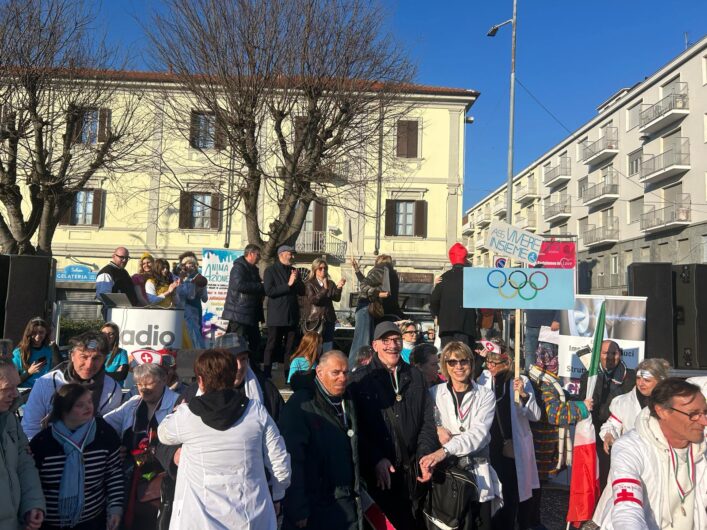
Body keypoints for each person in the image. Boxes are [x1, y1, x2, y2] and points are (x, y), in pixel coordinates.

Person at [157, 349, 291, 529]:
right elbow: (280, 464)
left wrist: (175, 412)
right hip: (251, 517)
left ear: (201, 381)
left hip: (199, 521)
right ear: (232, 375)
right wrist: (277, 496)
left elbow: (162, 434)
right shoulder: (256, 411)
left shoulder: (186, 415)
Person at [349, 321, 437, 529]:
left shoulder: (416, 376)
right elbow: (354, 429)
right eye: (385, 340)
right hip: (379, 476)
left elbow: (427, 421)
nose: (392, 345)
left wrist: (425, 456)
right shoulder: (360, 380)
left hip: (412, 473)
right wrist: (375, 459)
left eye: (396, 339)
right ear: (375, 345)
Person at [593, 378, 707, 529]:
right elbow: (627, 509)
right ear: (663, 411)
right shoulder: (630, 447)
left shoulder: (701, 447)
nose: (704, 421)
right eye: (693, 414)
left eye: (705, 412)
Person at [419, 341, 502, 530]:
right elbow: (426, 426)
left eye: (463, 361)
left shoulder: (485, 395)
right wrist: (437, 429)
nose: (458, 367)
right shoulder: (434, 393)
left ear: (471, 364)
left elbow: (478, 434)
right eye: (452, 362)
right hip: (449, 479)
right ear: (445, 366)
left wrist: (445, 449)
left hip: (477, 472)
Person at [279, 350, 361, 530]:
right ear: (319, 372)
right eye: (336, 373)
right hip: (316, 502)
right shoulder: (301, 405)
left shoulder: (348, 400)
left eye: (345, 372)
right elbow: (292, 459)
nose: (342, 378)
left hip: (347, 498)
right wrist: (298, 508)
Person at [30, 383, 123, 530]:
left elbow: (114, 474)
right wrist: (32, 508)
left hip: (93, 520)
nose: (88, 407)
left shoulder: (104, 434)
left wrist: (115, 508)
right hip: (51, 522)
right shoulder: (43, 443)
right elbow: (32, 483)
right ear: (64, 409)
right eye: (80, 405)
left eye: (89, 402)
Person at [104, 363, 180, 530]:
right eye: (139, 384)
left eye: (149, 383)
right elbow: (103, 426)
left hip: (163, 480)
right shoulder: (133, 404)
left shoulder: (178, 404)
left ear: (164, 380)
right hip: (130, 478)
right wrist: (115, 448)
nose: (143, 389)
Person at [526, 344, 593, 529]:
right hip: (540, 446)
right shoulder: (544, 383)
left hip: (539, 444)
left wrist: (574, 401)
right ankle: (532, 523)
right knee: (534, 488)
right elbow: (554, 413)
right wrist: (581, 408)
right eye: (555, 359)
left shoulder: (539, 377)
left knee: (535, 487)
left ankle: (532, 521)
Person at [477, 349, 542, 529]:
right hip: (489, 445)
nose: (490, 367)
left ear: (507, 363)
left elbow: (534, 415)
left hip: (512, 447)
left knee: (511, 491)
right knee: (492, 491)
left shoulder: (520, 381)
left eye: (494, 363)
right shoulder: (482, 379)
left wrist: (523, 394)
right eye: (488, 362)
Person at [22, 331, 123, 440]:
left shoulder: (112, 389)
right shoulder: (47, 382)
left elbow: (108, 432)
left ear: (104, 359)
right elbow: (30, 428)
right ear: (72, 356)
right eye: (84, 357)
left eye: (96, 358)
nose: (89, 365)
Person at [578, 339, 636, 489]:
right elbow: (590, 402)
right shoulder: (588, 377)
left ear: (620, 355)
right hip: (598, 435)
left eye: (614, 353)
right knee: (602, 480)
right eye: (605, 353)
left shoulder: (632, 377)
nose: (609, 357)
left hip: (624, 435)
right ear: (598, 355)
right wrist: (596, 378)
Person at [0, 360, 45, 530]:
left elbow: (24, 464)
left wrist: (32, 504)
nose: (15, 394)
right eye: (7, 388)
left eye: (16, 386)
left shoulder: (10, 419)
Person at [600, 358, 670, 454]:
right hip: (631, 456)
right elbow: (612, 424)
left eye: (646, 380)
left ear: (660, 380)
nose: (640, 383)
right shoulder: (623, 402)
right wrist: (608, 434)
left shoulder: (673, 403)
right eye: (638, 378)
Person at [263, 245, 305, 378]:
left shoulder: (294, 270)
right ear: (281, 254)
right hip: (276, 315)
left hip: (291, 315)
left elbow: (302, 291)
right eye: (290, 254)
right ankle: (267, 373)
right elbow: (269, 291)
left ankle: (289, 375)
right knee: (272, 345)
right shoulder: (270, 271)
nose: (292, 257)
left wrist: (297, 281)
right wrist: (288, 285)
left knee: (290, 347)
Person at [348, 254, 396, 367]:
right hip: (366, 307)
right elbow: (364, 286)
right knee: (362, 342)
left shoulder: (378, 270)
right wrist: (378, 293)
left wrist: (357, 270)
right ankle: (355, 369)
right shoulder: (381, 270)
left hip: (364, 307)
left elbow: (365, 282)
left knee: (361, 340)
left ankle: (355, 368)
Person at [430, 243, 478, 348]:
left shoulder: (443, 278)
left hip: (446, 326)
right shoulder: (473, 277)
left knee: (448, 357)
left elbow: (434, 300)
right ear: (465, 258)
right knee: (463, 356)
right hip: (466, 326)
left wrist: (436, 315)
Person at [222, 244, 265, 356]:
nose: (259, 257)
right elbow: (238, 285)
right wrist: (259, 286)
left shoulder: (253, 269)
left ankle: (252, 368)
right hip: (239, 312)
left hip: (250, 313)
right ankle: (232, 366)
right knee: (236, 343)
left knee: (255, 342)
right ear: (250, 254)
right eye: (258, 254)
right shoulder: (238, 267)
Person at [301, 258, 344, 353]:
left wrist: (339, 288)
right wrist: (324, 289)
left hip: (328, 318)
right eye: (320, 268)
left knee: (328, 346)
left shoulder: (331, 283)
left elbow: (336, 298)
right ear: (315, 270)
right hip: (315, 319)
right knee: (314, 347)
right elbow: (314, 300)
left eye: (325, 268)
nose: (323, 270)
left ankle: (326, 366)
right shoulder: (309, 284)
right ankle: (313, 366)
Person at [175, 251, 208, 348]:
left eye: (193, 263)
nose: (192, 266)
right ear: (183, 265)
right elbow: (179, 294)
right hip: (181, 309)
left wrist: (200, 288)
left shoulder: (199, 278)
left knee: (194, 332)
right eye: (189, 263)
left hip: (194, 309)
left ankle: (197, 352)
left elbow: (204, 298)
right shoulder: (177, 277)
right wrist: (182, 281)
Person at [12, 316, 54, 388]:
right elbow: (12, 381)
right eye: (34, 333)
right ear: (29, 333)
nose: (37, 336)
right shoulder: (19, 353)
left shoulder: (49, 350)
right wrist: (29, 372)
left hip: (44, 390)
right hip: (26, 391)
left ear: (46, 333)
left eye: (41, 332)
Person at [96, 247, 139, 312]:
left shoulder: (123, 272)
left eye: (127, 258)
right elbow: (103, 295)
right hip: (114, 313)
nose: (124, 260)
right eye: (121, 257)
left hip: (126, 312)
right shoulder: (106, 272)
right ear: (113, 256)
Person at [100, 322, 129, 386]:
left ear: (115, 337)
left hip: (115, 391)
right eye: (104, 333)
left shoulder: (122, 353)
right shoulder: (95, 352)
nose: (107, 336)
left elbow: (122, 375)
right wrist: (114, 374)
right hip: (98, 390)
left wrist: (101, 375)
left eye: (111, 334)